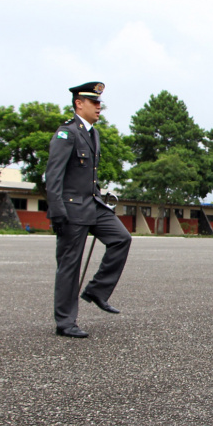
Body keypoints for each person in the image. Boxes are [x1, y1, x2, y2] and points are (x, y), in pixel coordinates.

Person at [45, 82, 132, 338]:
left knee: (121, 239)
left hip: (93, 204)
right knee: (70, 266)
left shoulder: (93, 133)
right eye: (93, 102)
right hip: (71, 209)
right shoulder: (67, 133)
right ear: (78, 103)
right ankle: (65, 322)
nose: (98, 107)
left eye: (99, 103)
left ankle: (96, 290)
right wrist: (57, 211)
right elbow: (53, 176)